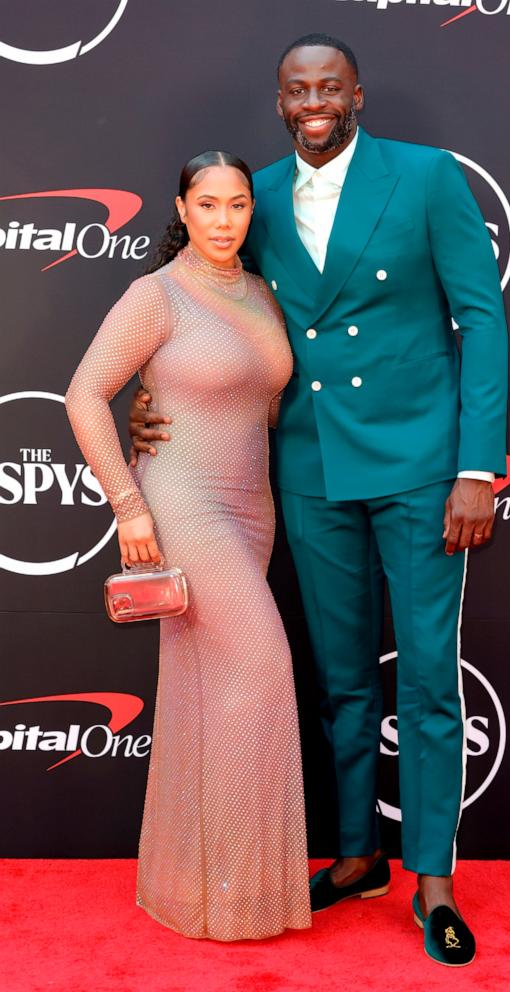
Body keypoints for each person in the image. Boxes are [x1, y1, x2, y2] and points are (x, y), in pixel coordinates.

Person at [130, 35, 508, 966]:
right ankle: (354, 858)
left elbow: (481, 317)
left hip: (422, 467)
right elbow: (204, 299)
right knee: (340, 680)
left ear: (356, 96)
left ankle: (432, 880)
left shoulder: (424, 179)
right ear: (278, 102)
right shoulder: (249, 196)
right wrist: (153, 394)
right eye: (296, 89)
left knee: (423, 680)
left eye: (328, 87)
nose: (313, 101)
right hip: (307, 468)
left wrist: (475, 467)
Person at [65, 151, 311, 941]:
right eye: (207, 205)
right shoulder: (157, 294)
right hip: (182, 503)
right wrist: (129, 504)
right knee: (262, 670)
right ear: (182, 207)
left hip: (252, 509)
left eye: (237, 205)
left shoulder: (265, 295)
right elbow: (84, 394)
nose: (223, 220)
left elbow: (262, 405)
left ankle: (193, 884)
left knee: (207, 691)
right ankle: (236, 896)